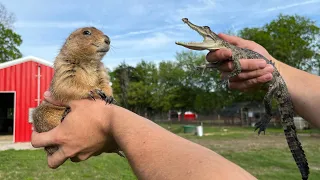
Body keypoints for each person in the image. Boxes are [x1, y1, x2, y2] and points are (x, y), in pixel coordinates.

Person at [31, 34, 320, 180]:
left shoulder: (99, 68)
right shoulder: (65, 64)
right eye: (87, 34)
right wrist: (275, 67)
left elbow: (104, 89)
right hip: (60, 116)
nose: (104, 40)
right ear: (71, 40)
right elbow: (66, 89)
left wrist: (110, 121)